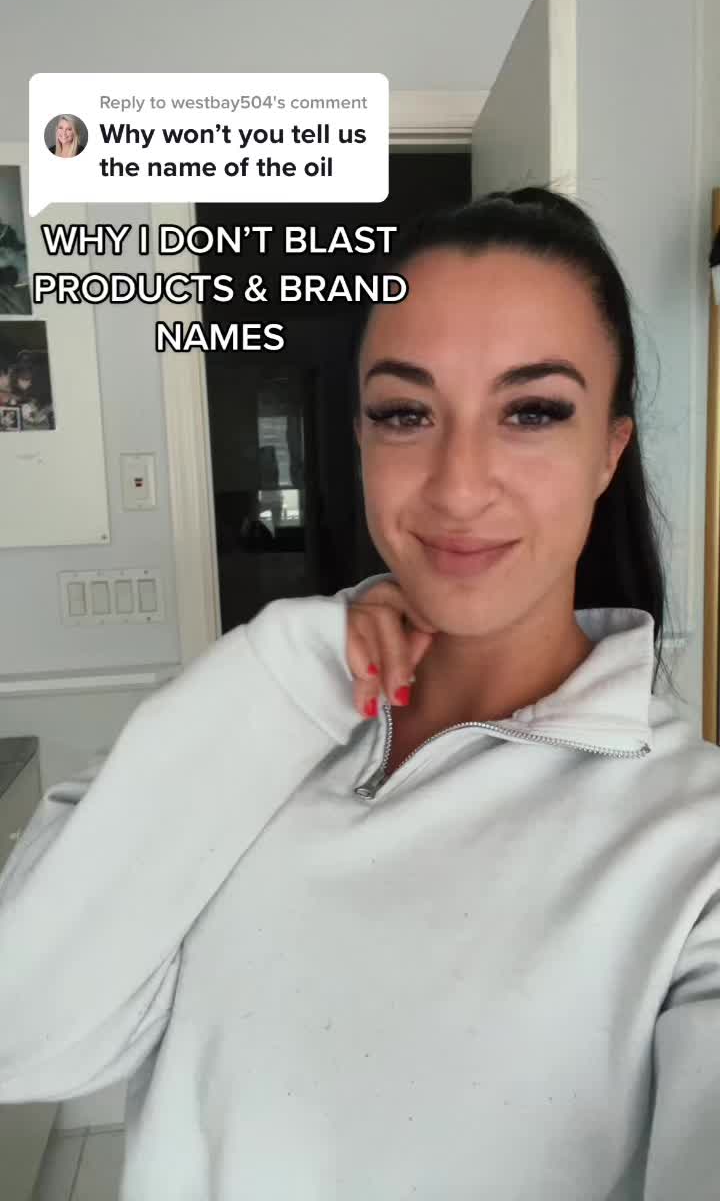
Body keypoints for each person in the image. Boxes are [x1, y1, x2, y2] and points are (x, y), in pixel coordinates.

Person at [1, 188, 719, 1201]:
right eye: (405, 413)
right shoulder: (248, 732)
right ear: (360, 438)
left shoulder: (694, 846)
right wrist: (284, 668)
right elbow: (21, 1034)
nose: (459, 484)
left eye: (532, 411)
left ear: (609, 448)